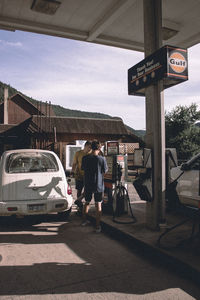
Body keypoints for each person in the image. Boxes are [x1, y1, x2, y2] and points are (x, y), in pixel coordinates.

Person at [81, 140, 108, 233]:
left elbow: (83, 168)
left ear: (91, 147)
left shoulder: (85, 158)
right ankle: (97, 226)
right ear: (99, 148)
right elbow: (105, 171)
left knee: (87, 202)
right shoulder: (102, 159)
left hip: (88, 183)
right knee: (98, 204)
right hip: (98, 185)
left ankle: (84, 221)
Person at [71, 141, 92, 210]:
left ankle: (80, 201)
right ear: (85, 146)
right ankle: (79, 206)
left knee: (88, 190)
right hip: (79, 175)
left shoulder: (92, 153)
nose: (90, 149)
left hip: (89, 176)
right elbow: (74, 163)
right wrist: (72, 172)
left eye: (91, 148)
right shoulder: (78, 153)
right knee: (79, 190)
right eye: (89, 147)